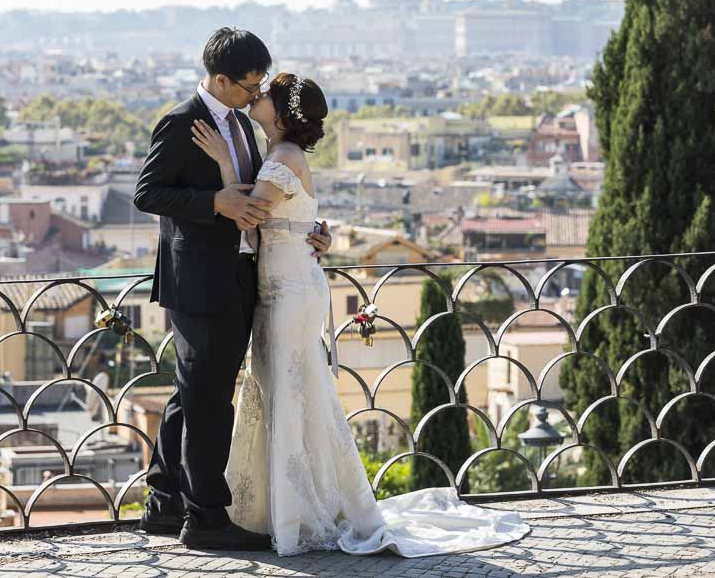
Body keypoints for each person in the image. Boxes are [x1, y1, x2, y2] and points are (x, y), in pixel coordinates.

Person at [190, 72, 531, 557]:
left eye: (266, 94)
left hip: (288, 292)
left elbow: (248, 216)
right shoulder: (281, 156)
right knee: (290, 391)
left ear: (283, 114)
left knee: (290, 391)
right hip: (286, 286)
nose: (257, 96)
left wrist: (223, 164)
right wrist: (316, 233)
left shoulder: (282, 158)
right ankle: (287, 507)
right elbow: (291, 217)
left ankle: (297, 512)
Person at [133, 28, 331, 551]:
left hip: (248, 276)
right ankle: (206, 518)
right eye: (249, 83)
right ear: (220, 80)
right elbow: (148, 193)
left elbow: (267, 192)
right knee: (208, 398)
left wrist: (305, 229)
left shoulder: (244, 123)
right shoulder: (180, 122)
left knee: (192, 391)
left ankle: (164, 499)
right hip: (198, 280)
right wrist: (212, 202)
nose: (257, 90)